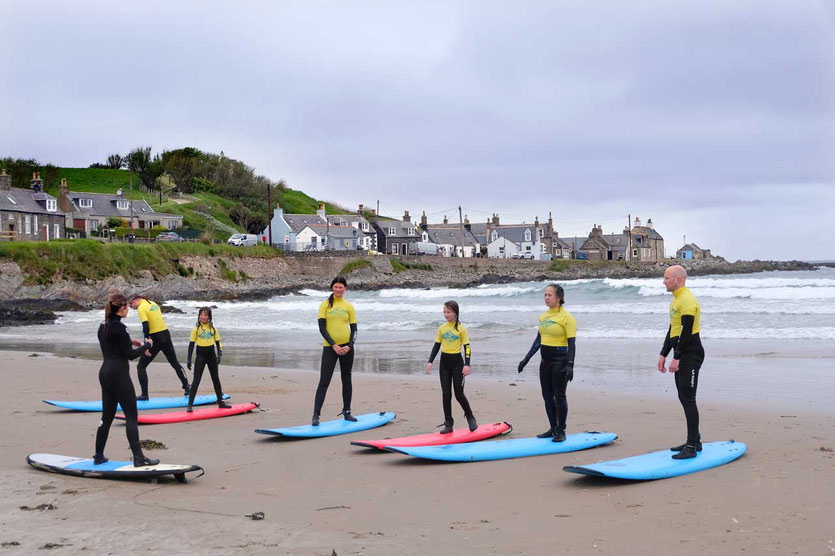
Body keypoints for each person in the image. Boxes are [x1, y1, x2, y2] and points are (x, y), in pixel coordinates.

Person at [94, 294, 159, 467]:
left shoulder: (103, 326)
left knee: (106, 417)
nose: (129, 310)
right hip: (119, 374)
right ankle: (138, 458)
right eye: (127, 307)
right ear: (122, 308)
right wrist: (147, 345)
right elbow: (129, 355)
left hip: (105, 373)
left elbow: (111, 343)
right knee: (131, 416)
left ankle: (98, 455)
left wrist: (131, 341)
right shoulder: (120, 328)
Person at [517, 284, 576, 442]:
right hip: (545, 360)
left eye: (549, 295)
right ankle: (552, 428)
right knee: (547, 396)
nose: (546, 298)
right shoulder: (543, 317)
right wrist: (526, 359)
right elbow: (538, 340)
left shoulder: (567, 318)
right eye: (545, 295)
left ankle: (561, 430)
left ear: (559, 298)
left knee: (559, 395)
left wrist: (570, 364)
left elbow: (572, 343)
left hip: (560, 360)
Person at [657, 265, 705, 460]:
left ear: (678, 280)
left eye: (667, 278)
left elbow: (686, 332)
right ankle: (695, 440)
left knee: (688, 399)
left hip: (690, 353)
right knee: (684, 398)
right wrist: (663, 354)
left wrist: (677, 357)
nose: (663, 281)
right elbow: (673, 330)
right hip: (681, 353)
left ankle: (692, 446)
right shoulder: (676, 300)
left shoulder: (687, 300)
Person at [426, 301, 478, 433]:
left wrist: (467, 364)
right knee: (446, 394)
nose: (446, 314)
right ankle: (448, 423)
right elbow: (436, 345)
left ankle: (470, 416)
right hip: (444, 363)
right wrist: (430, 361)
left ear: (455, 312)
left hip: (457, 364)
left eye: (448, 312)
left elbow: (467, 348)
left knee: (459, 394)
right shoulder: (441, 328)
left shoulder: (461, 329)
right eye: (444, 311)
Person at [312, 276, 358, 426]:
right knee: (324, 381)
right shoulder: (325, 305)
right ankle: (316, 415)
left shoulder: (349, 306)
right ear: (332, 288)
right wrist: (333, 345)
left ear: (345, 289)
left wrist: (349, 345)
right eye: (336, 287)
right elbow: (322, 328)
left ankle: (347, 412)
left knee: (347, 380)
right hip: (330, 348)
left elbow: (354, 330)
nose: (338, 289)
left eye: (341, 287)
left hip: (347, 349)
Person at [130, 295, 190, 400]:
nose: (132, 307)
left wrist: (146, 344)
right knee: (174, 362)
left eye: (132, 305)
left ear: (135, 300)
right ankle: (187, 387)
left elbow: (146, 327)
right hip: (166, 334)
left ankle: (144, 395)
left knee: (141, 366)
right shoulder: (153, 303)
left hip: (155, 338)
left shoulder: (141, 308)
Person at [186, 307, 231, 412]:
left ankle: (220, 402)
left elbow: (218, 341)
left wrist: (219, 354)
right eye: (201, 314)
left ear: (209, 317)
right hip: (200, 356)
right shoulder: (196, 329)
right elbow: (191, 344)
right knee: (196, 380)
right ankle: (190, 405)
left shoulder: (213, 329)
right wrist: (189, 359)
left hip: (211, 356)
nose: (203, 317)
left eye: (205, 315)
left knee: (215, 379)